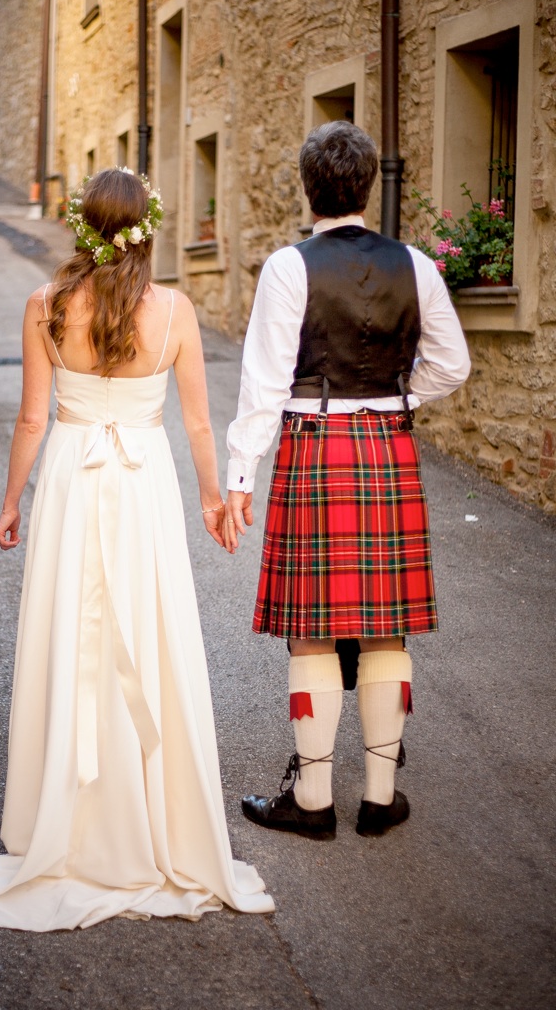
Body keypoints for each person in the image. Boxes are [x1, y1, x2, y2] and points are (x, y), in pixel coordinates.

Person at [0, 168, 273, 928]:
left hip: (74, 481)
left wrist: (12, 501)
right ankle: (152, 820)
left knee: (72, 635)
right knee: (147, 631)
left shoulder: (45, 305)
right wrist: (212, 498)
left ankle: (67, 818)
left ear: (83, 226)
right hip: (142, 488)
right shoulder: (174, 311)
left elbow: (33, 421)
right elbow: (199, 424)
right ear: (149, 227)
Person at [224, 122, 470, 840]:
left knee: (313, 632)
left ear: (309, 187)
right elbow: (452, 364)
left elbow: (265, 383)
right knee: (387, 626)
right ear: (366, 186)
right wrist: (399, 396)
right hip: (385, 447)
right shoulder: (416, 266)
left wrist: (241, 476)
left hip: (313, 444)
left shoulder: (286, 267)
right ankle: (380, 799)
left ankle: (313, 802)